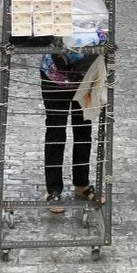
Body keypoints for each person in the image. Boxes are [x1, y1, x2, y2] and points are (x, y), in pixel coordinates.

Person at [40, 47, 101, 213]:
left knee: (83, 130)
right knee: (56, 131)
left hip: (84, 76)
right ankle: (53, 191)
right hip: (54, 76)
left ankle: (82, 184)